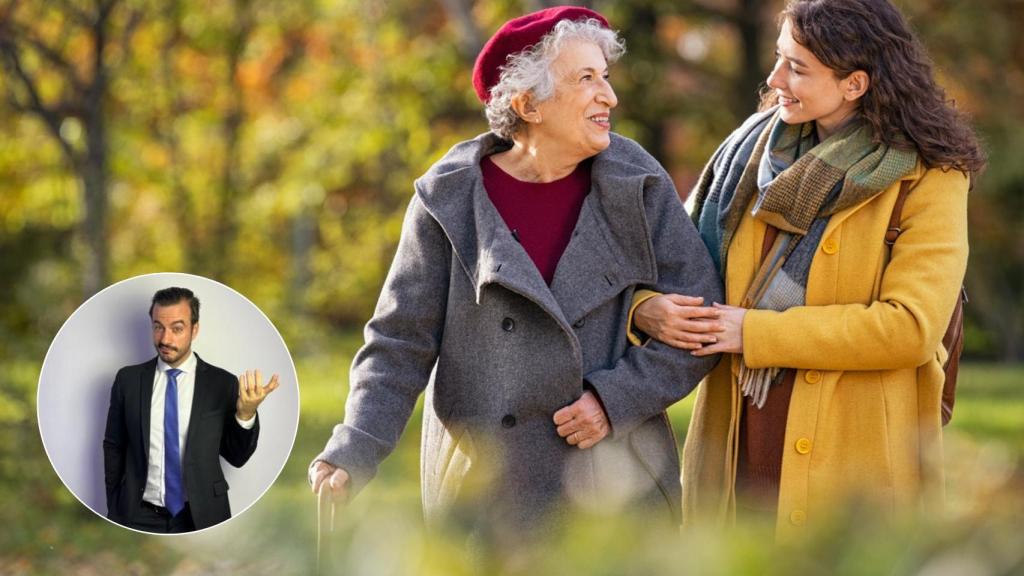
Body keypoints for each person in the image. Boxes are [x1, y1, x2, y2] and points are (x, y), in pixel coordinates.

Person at [310, 6, 722, 546]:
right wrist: (354, 446)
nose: (609, 96)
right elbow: (399, 342)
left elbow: (702, 321)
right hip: (487, 491)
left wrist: (614, 399)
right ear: (528, 104)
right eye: (586, 79)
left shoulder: (637, 182)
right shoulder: (449, 199)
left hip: (617, 486)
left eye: (605, 76)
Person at [630, 0, 984, 538]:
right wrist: (646, 307)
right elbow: (669, 264)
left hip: (854, 460)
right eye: (778, 58)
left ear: (854, 84)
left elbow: (910, 327)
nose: (774, 79)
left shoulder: (929, 177)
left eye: (797, 68)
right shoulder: (747, 157)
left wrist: (754, 333)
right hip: (737, 440)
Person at [103, 287, 279, 533]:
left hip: (203, 516)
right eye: (158, 327)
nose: (165, 339)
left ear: (194, 329)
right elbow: (114, 446)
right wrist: (114, 506)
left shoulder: (222, 383)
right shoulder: (128, 380)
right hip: (137, 515)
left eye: (177, 329)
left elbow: (237, 457)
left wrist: (246, 414)